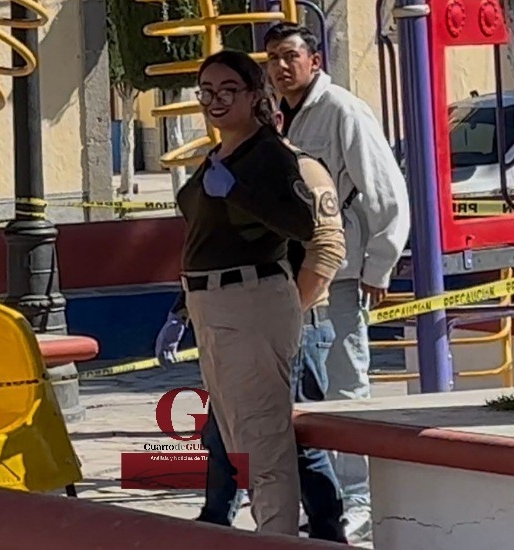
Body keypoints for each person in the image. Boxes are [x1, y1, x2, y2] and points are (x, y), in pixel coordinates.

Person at [154, 49, 318, 536]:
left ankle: (279, 538)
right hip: (209, 303)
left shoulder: (268, 153)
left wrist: (239, 192)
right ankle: (269, 532)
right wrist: (181, 310)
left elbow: (303, 224)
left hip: (251, 300)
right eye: (206, 91)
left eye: (229, 90)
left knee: (263, 440)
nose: (215, 100)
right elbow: (204, 240)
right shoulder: (219, 155)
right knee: (237, 440)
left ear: (253, 95)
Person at [263, 23, 411, 544]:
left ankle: (360, 501)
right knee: (306, 392)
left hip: (341, 274)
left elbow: (385, 191)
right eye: (272, 58)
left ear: (315, 60)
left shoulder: (343, 111)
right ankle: (326, 501)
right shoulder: (275, 115)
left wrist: (379, 265)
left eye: (290, 56)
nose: (281, 67)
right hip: (291, 275)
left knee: (346, 386)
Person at [188, 96, 349, 543]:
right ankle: (216, 522)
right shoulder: (227, 167)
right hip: (237, 320)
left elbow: (327, 248)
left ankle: (327, 531)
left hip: (294, 322)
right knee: (225, 434)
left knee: (291, 443)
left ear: (276, 120)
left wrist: (287, 313)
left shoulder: (301, 169)